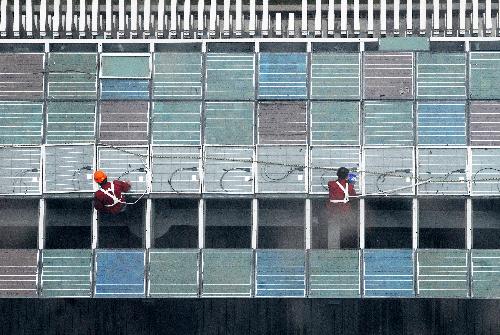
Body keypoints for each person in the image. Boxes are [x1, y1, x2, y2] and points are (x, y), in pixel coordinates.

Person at [325, 167, 357, 249]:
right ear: (347, 176)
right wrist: (350, 183)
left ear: (337, 175)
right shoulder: (349, 187)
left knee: (333, 230)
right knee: (347, 230)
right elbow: (353, 197)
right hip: (345, 211)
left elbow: (333, 185)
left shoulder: (331, 184)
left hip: (333, 211)